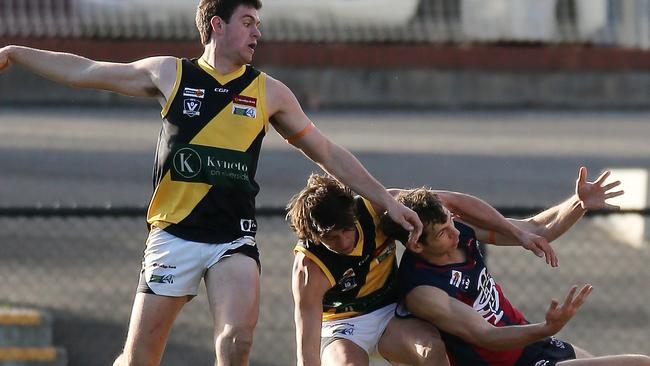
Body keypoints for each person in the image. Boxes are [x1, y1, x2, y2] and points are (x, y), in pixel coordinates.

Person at [0, 1, 427, 365]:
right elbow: (85, 70)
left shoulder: (269, 92)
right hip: (174, 235)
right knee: (139, 358)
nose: (257, 32)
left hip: (232, 238)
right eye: (247, 22)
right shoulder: (170, 74)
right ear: (217, 25)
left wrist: (385, 201)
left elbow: (328, 153)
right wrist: (17, 53)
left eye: (257, 24)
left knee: (237, 340)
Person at [380, 167, 650, 366]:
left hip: (531, 346)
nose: (456, 232)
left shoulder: (460, 231)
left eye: (451, 221)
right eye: (443, 232)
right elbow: (484, 335)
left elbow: (538, 228)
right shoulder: (423, 290)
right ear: (416, 245)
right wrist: (546, 328)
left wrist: (578, 204)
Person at [286, 173, 555, 366]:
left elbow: (455, 204)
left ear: (354, 214)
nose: (344, 243)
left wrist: (518, 233)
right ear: (312, 235)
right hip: (343, 326)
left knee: (431, 351)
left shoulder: (377, 207)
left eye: (347, 231)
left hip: (389, 312)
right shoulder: (309, 268)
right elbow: (306, 347)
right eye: (332, 238)